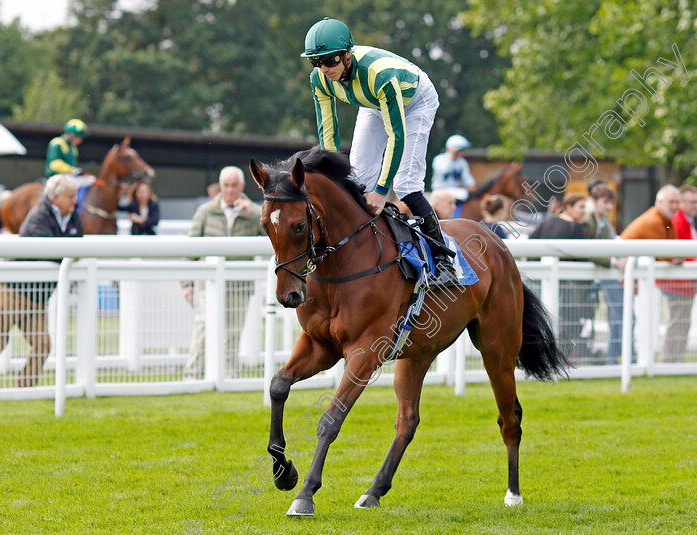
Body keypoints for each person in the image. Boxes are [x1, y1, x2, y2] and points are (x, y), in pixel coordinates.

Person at [301, 17, 456, 288]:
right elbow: (328, 133)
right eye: (317, 62)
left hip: (415, 100)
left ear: (347, 56)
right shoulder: (320, 79)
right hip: (373, 102)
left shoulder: (379, 74)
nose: (324, 69)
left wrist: (383, 191)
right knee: (359, 180)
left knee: (406, 183)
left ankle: (444, 261)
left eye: (330, 60)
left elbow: (397, 135)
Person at [0, 175, 83, 388]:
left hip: (37, 296)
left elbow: (75, 248)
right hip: (10, 290)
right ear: (55, 198)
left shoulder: (73, 217)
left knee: (43, 344)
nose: (76, 201)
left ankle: (24, 389)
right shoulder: (38, 216)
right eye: (71, 197)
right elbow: (51, 252)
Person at [183, 166, 266, 379]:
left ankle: (229, 376)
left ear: (242, 187)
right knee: (203, 327)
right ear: (220, 187)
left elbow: (274, 235)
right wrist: (187, 284)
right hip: (209, 283)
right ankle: (192, 374)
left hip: (240, 284)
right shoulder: (205, 211)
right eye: (226, 186)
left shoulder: (254, 212)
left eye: (234, 186)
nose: (229, 190)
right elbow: (190, 249)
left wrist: (254, 213)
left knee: (233, 332)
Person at [620, 185, 686, 362]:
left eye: (677, 202)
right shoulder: (654, 221)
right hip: (621, 278)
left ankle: (630, 360)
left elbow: (670, 250)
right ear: (659, 202)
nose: (674, 206)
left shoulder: (665, 220)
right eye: (671, 202)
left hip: (634, 278)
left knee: (629, 321)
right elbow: (664, 253)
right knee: (624, 322)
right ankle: (622, 361)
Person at [529, 193, 596, 360]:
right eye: (581, 207)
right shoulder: (576, 227)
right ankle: (562, 355)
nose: (584, 211)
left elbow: (531, 243)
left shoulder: (547, 221)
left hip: (538, 280)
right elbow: (581, 257)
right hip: (565, 285)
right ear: (569, 207)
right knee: (567, 320)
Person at [582, 184, 628, 364]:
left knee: (619, 316)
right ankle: (615, 360)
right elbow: (587, 250)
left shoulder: (606, 222)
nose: (609, 207)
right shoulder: (588, 221)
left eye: (611, 203)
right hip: (596, 275)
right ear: (594, 202)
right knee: (619, 315)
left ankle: (614, 360)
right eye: (605, 202)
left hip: (606, 275)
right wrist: (615, 262)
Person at [656, 184, 697, 363]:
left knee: (681, 323)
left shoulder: (686, 220)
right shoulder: (679, 220)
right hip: (678, 282)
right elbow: (677, 253)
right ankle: (669, 362)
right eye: (692, 202)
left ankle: (675, 362)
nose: (695, 206)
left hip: (684, 281)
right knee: (677, 324)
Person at [431, 134, 477, 202]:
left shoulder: (462, 162)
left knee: (465, 195)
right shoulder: (438, 159)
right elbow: (442, 171)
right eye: (460, 150)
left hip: (455, 192)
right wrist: (451, 158)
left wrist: (472, 185)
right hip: (439, 190)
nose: (462, 153)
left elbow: (467, 178)